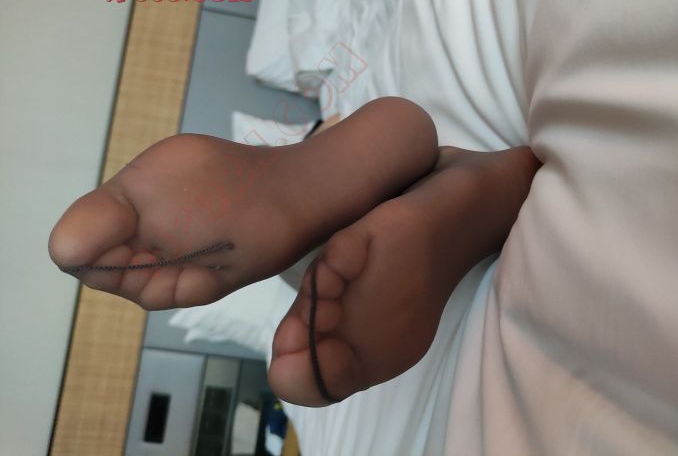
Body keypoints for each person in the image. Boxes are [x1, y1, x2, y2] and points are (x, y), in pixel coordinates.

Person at [48, 96, 540, 406]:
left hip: (310, 226)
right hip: (313, 225)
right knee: (336, 243)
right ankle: (447, 177)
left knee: (323, 252)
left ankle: (360, 168)